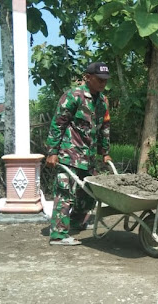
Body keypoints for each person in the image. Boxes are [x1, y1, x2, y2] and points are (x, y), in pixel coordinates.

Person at [45, 62, 113, 246]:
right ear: (88, 77)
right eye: (99, 80)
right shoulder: (73, 96)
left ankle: (75, 222)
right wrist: (52, 152)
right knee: (65, 191)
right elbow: (58, 123)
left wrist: (105, 152)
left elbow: (104, 127)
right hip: (70, 153)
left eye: (105, 81)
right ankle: (58, 235)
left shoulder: (103, 101)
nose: (102, 84)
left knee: (89, 193)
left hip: (89, 156)